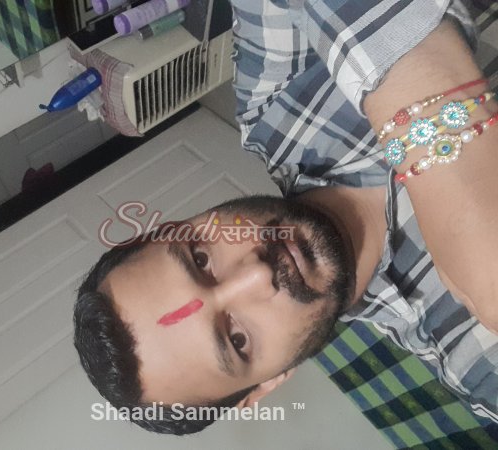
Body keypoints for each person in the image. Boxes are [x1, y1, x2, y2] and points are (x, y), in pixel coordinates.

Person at [73, 0, 498, 435]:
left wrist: (455, 188)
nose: (255, 276)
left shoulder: (276, 103)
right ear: (267, 384)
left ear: (178, 227)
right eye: (237, 339)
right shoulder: (472, 358)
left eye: (200, 258)